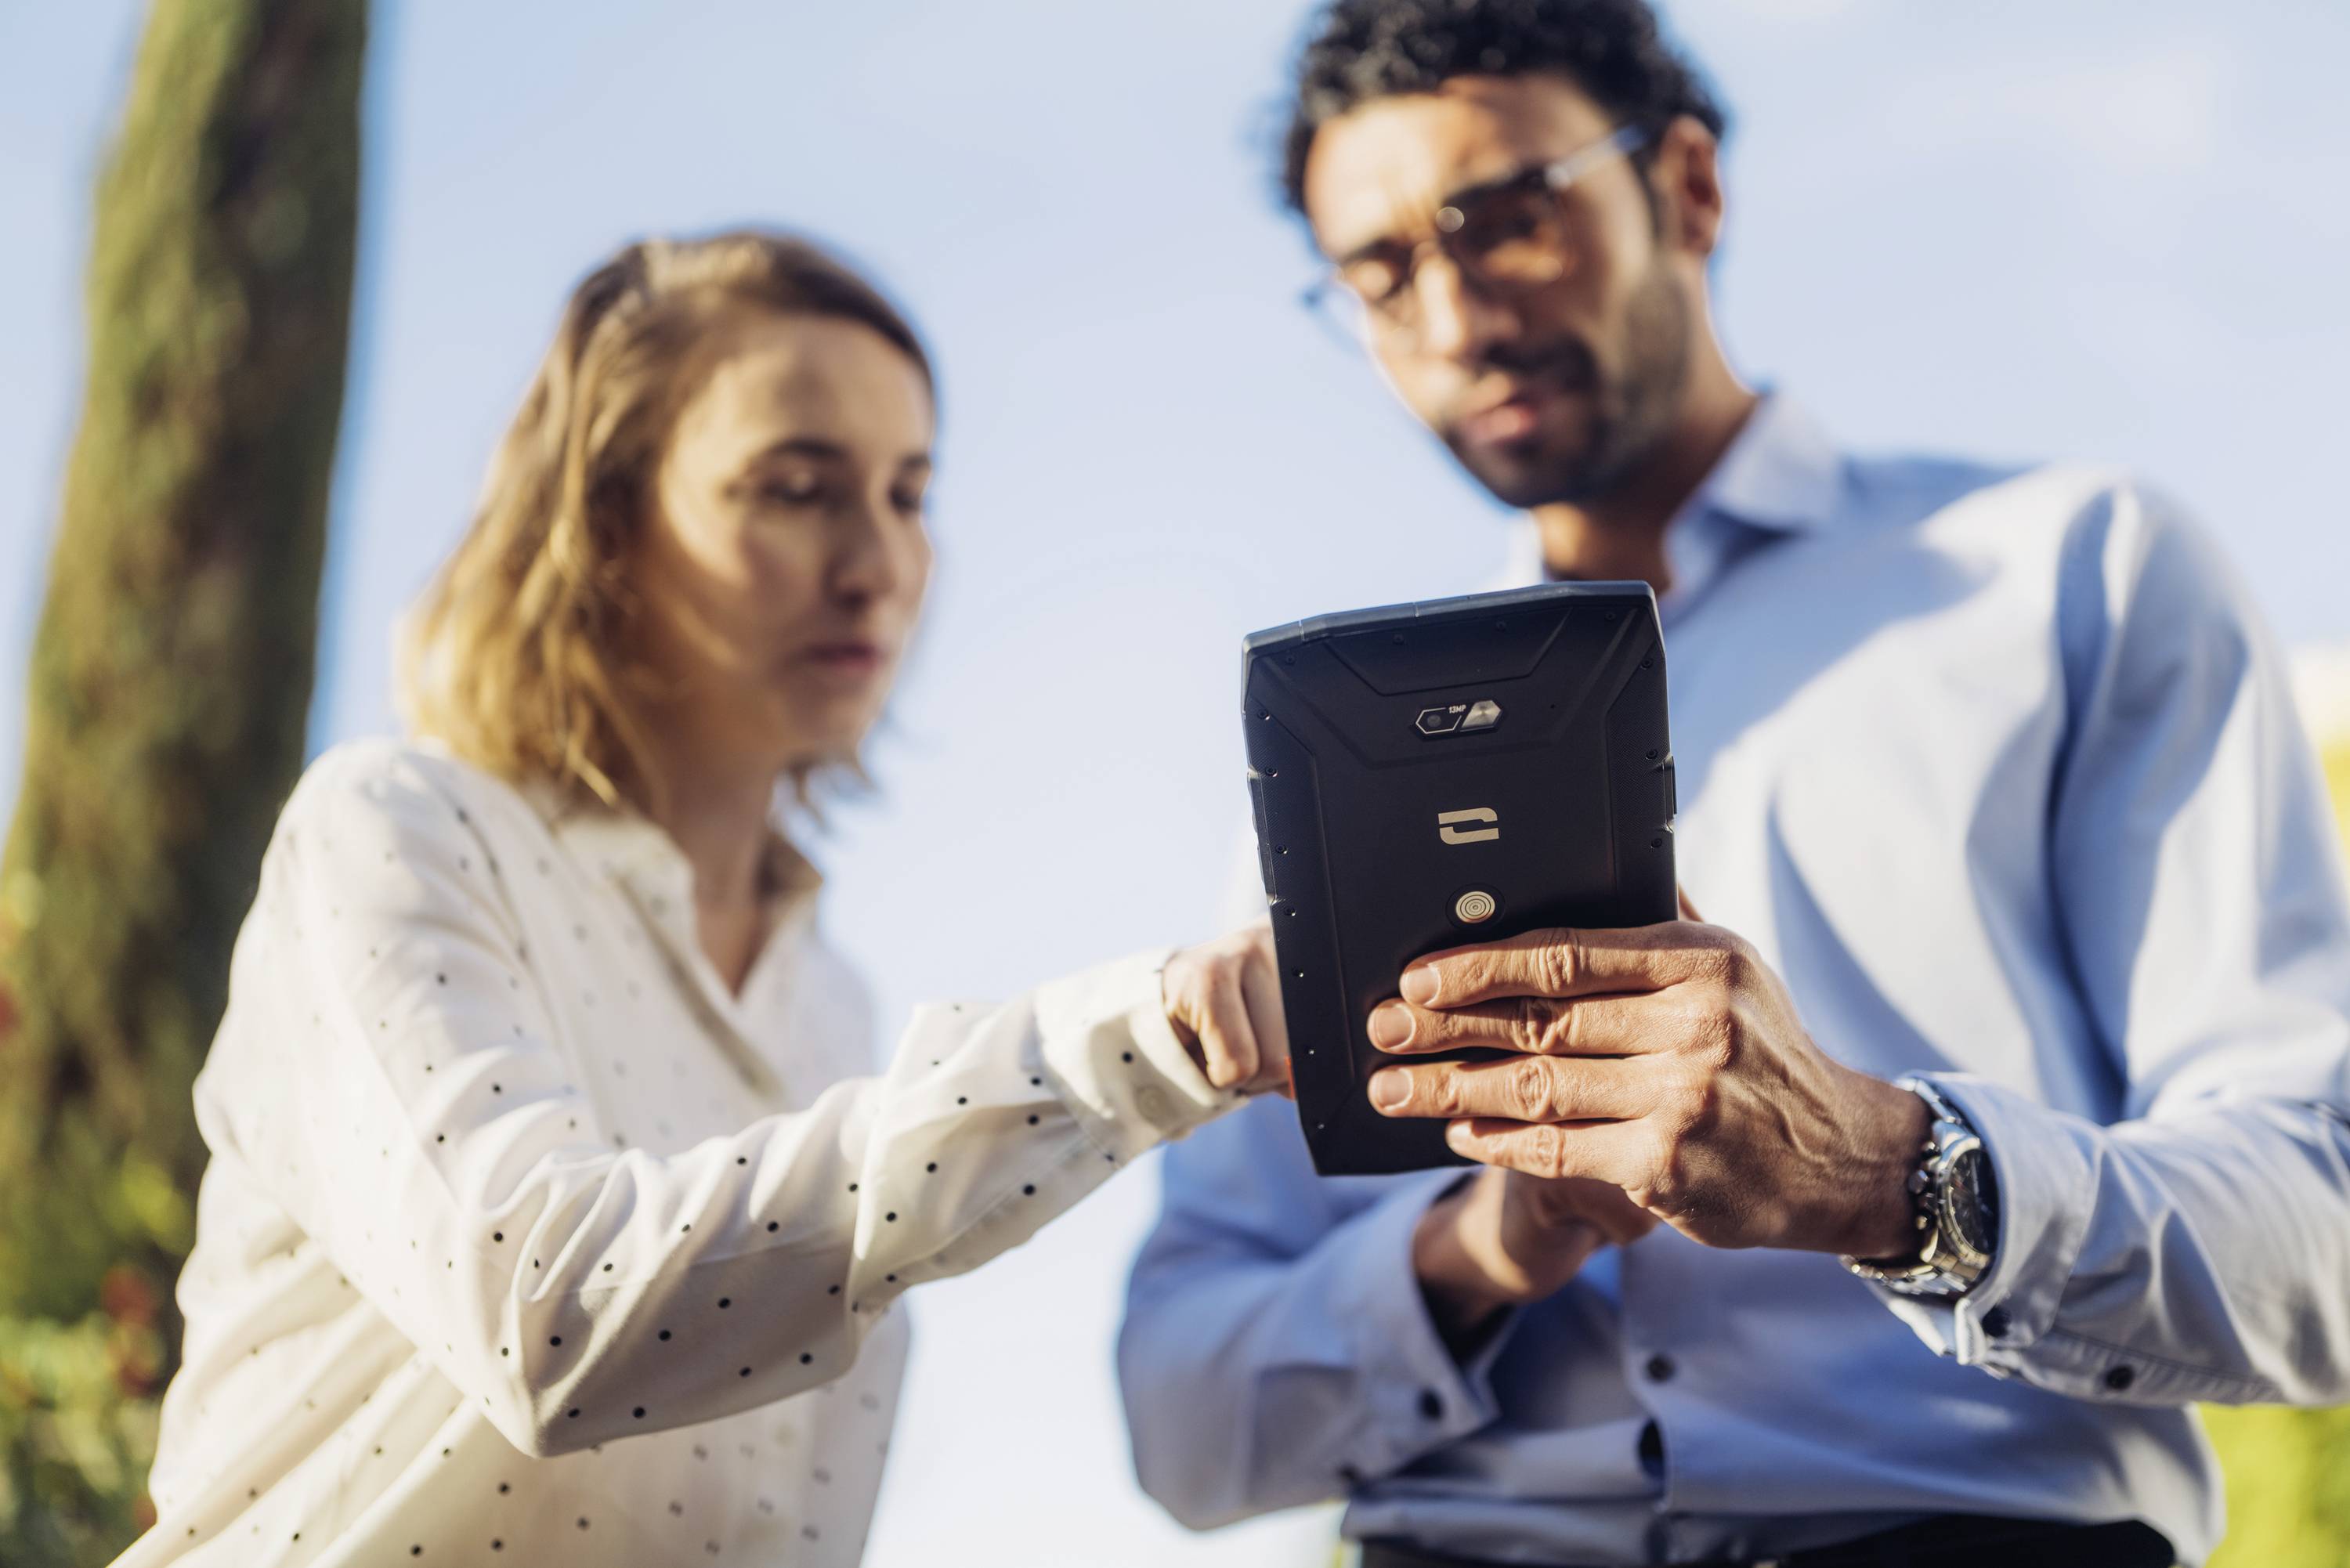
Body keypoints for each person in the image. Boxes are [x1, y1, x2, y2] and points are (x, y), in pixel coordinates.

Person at [1118, 3, 2350, 1565]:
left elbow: (2326, 1229)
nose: (1456, 314)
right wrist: (1479, 1252)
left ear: (1685, 187)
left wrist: (1877, 1168)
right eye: (1382, 270)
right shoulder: (1335, 758)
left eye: (1503, 219)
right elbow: (1177, 1418)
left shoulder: (2070, 575)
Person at [118, 230, 1287, 1567]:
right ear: (604, 523)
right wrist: (1139, 1042)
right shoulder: (396, 829)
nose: (877, 562)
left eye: (908, 493)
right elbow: (547, 1313)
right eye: (796, 488)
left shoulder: (828, 1001)